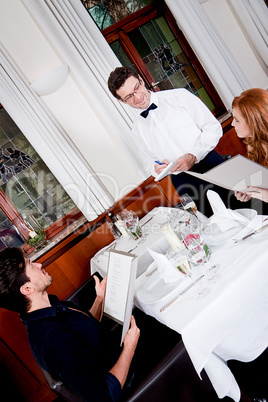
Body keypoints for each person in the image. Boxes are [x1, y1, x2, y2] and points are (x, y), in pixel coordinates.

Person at [2, 247, 214, 401]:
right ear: (27, 289)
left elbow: (82, 332)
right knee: (183, 325)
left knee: (159, 309)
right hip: (136, 378)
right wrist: (130, 346)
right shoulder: (52, 339)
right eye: (31, 265)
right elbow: (105, 395)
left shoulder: (47, 307)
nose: (39, 264)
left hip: (117, 348)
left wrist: (100, 299)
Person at [108, 67, 229, 216]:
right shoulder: (137, 130)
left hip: (211, 165)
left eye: (137, 88)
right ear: (122, 101)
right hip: (183, 182)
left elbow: (213, 128)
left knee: (245, 210)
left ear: (141, 80)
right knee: (214, 225)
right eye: (129, 96)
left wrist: (194, 155)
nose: (137, 97)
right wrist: (156, 168)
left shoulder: (179, 97)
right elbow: (149, 163)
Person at [232, 88, 268, 207]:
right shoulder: (252, 143)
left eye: (237, 120)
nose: (232, 124)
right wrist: (250, 191)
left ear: (253, 121)